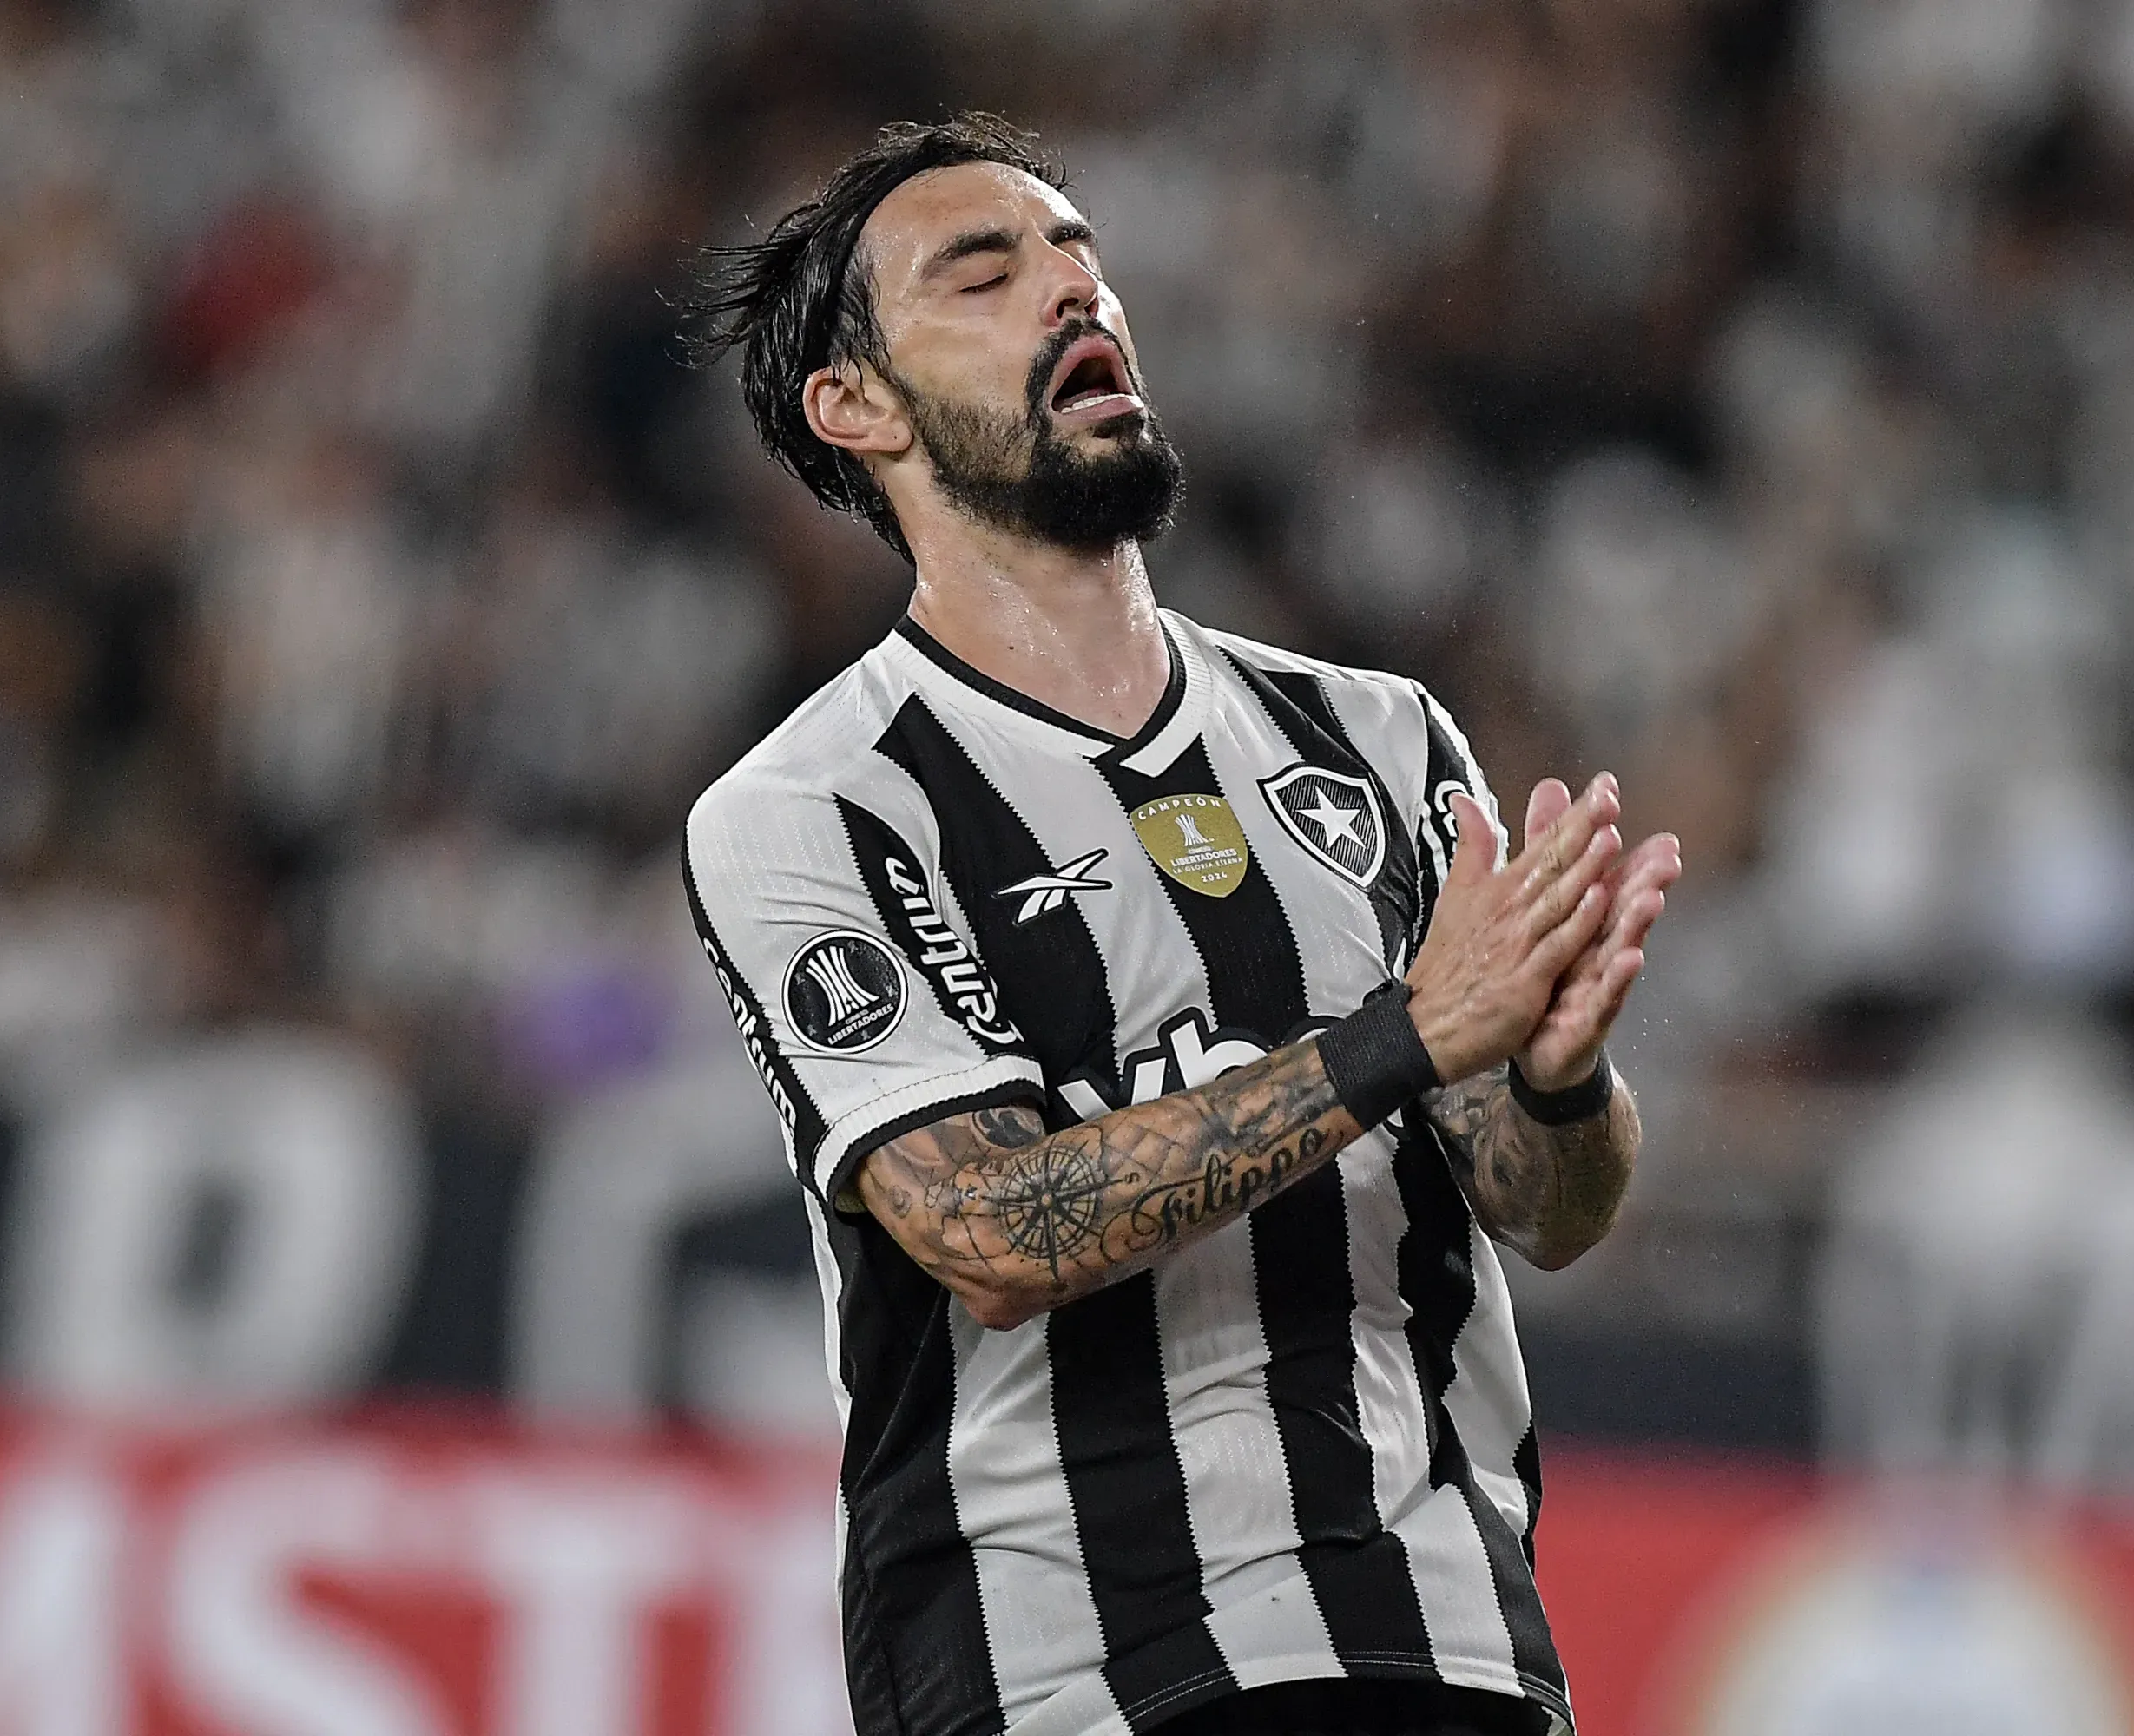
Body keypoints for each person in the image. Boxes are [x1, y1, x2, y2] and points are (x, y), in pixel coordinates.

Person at [679, 115, 1680, 1736]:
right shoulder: (817, 805)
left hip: (1444, 1645)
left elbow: (1545, 1214)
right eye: (984, 274)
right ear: (857, 405)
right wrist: (1402, 1038)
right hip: (1075, 1677)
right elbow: (991, 1233)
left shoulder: (1377, 739)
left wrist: (1558, 1082)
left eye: (1079, 255)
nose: (1073, 290)